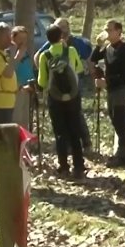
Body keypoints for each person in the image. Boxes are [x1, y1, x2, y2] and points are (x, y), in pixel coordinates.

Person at [34, 18, 93, 149]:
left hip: (75, 84)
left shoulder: (77, 43)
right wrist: (47, 74)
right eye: (58, 27)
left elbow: (88, 58)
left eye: (63, 27)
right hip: (55, 87)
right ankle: (66, 145)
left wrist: (92, 75)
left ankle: (85, 141)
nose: (62, 30)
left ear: (68, 28)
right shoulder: (50, 45)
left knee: (77, 114)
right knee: (61, 116)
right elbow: (37, 56)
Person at [90, 19, 125, 168]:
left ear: (118, 31)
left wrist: (106, 82)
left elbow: (124, 74)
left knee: (121, 120)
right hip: (111, 89)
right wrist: (99, 44)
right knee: (114, 118)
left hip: (122, 88)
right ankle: (122, 152)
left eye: (110, 29)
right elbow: (93, 59)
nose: (107, 32)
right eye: (106, 29)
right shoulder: (108, 48)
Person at [38, 24, 85, 178]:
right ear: (61, 37)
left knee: (60, 132)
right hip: (73, 96)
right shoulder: (70, 51)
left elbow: (42, 81)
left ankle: (63, 165)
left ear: (48, 39)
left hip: (55, 98)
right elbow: (78, 69)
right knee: (74, 130)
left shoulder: (45, 56)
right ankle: (78, 166)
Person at [10, 26, 35, 126]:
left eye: (25, 39)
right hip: (17, 89)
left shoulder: (26, 52)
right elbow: (10, 70)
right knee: (17, 119)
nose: (23, 41)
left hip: (28, 88)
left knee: (25, 120)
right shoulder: (11, 52)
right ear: (13, 38)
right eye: (20, 38)